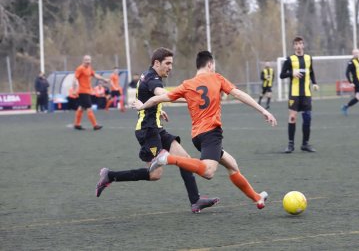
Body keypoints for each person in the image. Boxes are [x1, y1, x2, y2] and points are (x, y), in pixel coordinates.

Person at [135, 50, 277, 210]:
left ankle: (257, 198)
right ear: (210, 64)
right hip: (211, 134)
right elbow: (238, 94)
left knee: (232, 165)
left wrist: (142, 105)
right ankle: (167, 159)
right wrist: (263, 110)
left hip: (197, 136)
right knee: (208, 172)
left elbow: (159, 98)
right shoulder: (216, 78)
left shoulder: (187, 84)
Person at [96, 47, 219, 213]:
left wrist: (159, 110)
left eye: (171, 63)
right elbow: (161, 93)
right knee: (155, 174)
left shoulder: (148, 75)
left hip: (156, 128)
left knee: (185, 159)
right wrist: (193, 99)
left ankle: (195, 201)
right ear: (156, 63)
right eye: (167, 63)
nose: (170, 67)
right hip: (148, 131)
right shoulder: (153, 78)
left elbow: (149, 97)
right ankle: (110, 175)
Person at [279, 36, 319, 153]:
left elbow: (311, 72)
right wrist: (292, 72)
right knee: (292, 117)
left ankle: (305, 144)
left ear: (303, 45)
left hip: (306, 93)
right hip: (294, 94)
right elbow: (282, 75)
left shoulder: (308, 58)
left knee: (307, 118)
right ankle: (290, 145)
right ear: (294, 46)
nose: (298, 46)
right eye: (296, 44)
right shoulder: (289, 60)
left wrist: (315, 83)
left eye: (300, 44)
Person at [73, 55, 109, 130]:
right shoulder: (80, 68)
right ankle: (95, 125)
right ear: (83, 60)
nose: (88, 61)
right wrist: (74, 89)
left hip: (87, 91)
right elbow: (74, 78)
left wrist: (103, 79)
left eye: (89, 60)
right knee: (89, 107)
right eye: (86, 60)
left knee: (81, 107)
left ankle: (77, 124)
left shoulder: (89, 68)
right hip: (83, 91)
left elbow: (94, 75)